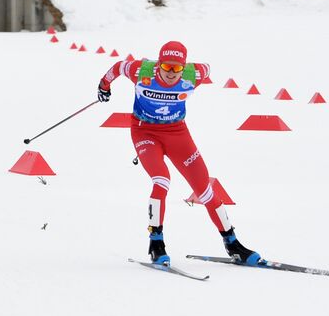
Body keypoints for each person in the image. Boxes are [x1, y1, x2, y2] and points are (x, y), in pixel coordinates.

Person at [97, 41, 262, 268]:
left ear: (184, 67)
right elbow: (117, 67)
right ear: (159, 64)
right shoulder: (140, 71)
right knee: (162, 180)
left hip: (177, 133)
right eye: (166, 68)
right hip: (145, 132)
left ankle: (232, 244)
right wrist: (104, 86)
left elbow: (208, 67)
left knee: (204, 189)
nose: (172, 74)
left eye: (177, 69)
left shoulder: (194, 74)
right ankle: (156, 243)